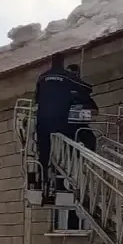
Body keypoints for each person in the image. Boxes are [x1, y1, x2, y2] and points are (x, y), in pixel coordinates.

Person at [34, 54, 91, 202]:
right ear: (63, 61)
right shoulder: (66, 76)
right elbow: (87, 88)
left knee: (44, 154)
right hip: (60, 122)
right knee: (67, 152)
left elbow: (36, 98)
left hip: (42, 122)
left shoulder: (42, 77)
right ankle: (63, 182)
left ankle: (43, 182)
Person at [64, 64, 98, 152]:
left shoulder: (83, 93)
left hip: (81, 126)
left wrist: (82, 109)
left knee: (91, 141)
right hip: (67, 127)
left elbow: (94, 111)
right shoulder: (62, 92)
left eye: (74, 74)